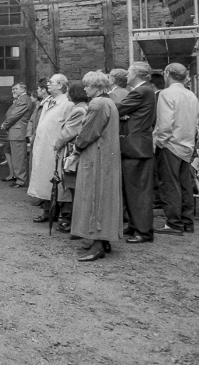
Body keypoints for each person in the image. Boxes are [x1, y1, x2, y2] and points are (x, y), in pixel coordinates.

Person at [71, 71, 122, 262]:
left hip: (97, 156)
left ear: (97, 87)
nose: (85, 89)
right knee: (105, 196)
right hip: (107, 156)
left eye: (88, 86)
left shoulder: (97, 104)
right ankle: (103, 239)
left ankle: (98, 243)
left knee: (94, 196)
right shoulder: (109, 102)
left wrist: (76, 148)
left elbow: (88, 132)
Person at [153, 63, 199, 235]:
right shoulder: (191, 95)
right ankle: (187, 221)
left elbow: (165, 123)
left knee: (169, 184)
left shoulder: (166, 94)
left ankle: (174, 222)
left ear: (167, 74)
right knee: (185, 184)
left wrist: (159, 142)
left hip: (171, 144)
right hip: (187, 144)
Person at [117, 61, 158, 244]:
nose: (127, 75)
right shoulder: (146, 91)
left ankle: (143, 231)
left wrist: (122, 114)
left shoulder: (140, 91)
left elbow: (117, 109)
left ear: (137, 74)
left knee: (138, 192)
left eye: (129, 72)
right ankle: (136, 226)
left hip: (136, 148)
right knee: (133, 190)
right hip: (138, 146)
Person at [28, 74, 73, 221]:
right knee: (45, 179)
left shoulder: (67, 103)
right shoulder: (48, 101)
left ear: (60, 85)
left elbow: (69, 127)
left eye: (52, 82)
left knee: (60, 181)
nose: (48, 84)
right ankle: (48, 210)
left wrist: (60, 143)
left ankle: (66, 215)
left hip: (57, 148)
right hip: (44, 147)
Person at [54, 82, 89, 232]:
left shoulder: (79, 110)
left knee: (71, 187)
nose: (67, 94)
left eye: (69, 92)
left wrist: (57, 144)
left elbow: (68, 132)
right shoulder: (80, 108)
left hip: (71, 152)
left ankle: (73, 222)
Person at [1, 83, 34, 188]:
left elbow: (14, 115)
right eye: (12, 89)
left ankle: (21, 180)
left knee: (19, 157)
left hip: (18, 132)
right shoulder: (20, 99)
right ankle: (15, 175)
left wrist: (5, 125)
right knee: (11, 153)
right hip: (15, 131)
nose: (13, 91)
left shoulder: (23, 99)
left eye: (15, 89)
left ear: (23, 89)